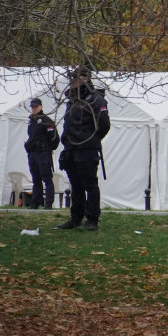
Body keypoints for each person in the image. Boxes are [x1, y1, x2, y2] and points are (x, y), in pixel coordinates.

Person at [54, 66, 110, 232]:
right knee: (76, 185)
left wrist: (91, 139)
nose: (73, 81)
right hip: (71, 148)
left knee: (90, 185)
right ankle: (76, 217)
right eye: (72, 78)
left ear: (86, 78)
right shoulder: (72, 99)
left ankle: (92, 219)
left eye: (76, 78)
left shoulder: (96, 99)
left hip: (87, 148)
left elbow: (104, 125)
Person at [24, 98, 59, 209]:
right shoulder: (31, 121)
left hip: (43, 152)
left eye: (36, 107)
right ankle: (36, 202)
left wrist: (51, 148)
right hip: (33, 153)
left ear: (41, 106)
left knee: (47, 178)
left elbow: (54, 137)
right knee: (36, 179)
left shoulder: (46, 120)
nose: (34, 109)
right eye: (32, 107)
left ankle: (48, 203)